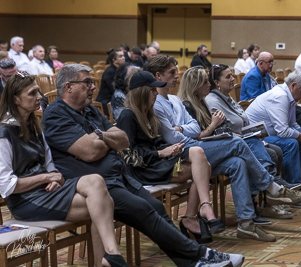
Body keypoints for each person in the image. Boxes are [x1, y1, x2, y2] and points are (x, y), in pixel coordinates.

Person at [42, 64, 244, 267]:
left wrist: (100, 136)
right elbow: (90, 151)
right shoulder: (56, 114)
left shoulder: (89, 111)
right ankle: (201, 255)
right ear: (69, 87)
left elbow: (122, 140)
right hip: (97, 185)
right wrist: (107, 141)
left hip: (120, 176)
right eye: (87, 82)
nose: (93, 87)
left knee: (157, 206)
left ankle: (192, 262)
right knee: (144, 210)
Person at [149, 55, 301, 242]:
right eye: (172, 73)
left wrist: (183, 129)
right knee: (237, 142)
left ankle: (246, 224)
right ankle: (273, 187)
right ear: (158, 75)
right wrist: (189, 131)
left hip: (196, 149)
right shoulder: (156, 104)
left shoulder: (175, 100)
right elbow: (172, 137)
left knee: (237, 163)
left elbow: (194, 128)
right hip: (181, 157)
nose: (177, 76)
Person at [0, 71, 127, 267]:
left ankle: (111, 256)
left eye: (38, 92)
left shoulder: (34, 126)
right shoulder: (4, 134)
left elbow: (49, 165)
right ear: (16, 99)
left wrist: (53, 177)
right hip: (25, 200)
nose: (40, 97)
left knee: (95, 181)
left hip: (46, 191)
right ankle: (110, 258)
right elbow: (6, 186)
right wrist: (45, 178)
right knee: (104, 204)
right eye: (32, 93)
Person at [179, 66, 301, 217]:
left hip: (211, 148)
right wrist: (215, 126)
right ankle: (273, 187)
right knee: (241, 142)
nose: (208, 84)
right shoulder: (189, 105)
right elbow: (195, 138)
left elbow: (222, 128)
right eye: (205, 82)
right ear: (195, 85)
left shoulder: (203, 102)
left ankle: (247, 220)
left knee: (240, 162)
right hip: (196, 154)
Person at [117, 70, 225, 243]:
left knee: (200, 156)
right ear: (142, 92)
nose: (155, 94)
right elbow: (129, 156)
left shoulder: (147, 113)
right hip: (142, 170)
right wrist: (161, 152)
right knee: (205, 166)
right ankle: (197, 213)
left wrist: (171, 148)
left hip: (156, 162)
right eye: (153, 91)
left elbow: (155, 141)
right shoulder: (128, 115)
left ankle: (196, 213)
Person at [246, 70, 301, 196]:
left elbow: (293, 124)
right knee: (291, 143)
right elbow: (283, 131)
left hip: (270, 135)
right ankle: (292, 189)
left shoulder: (289, 96)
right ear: (293, 85)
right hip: (257, 138)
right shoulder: (280, 96)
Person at [96, 49, 125, 116]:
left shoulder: (119, 70)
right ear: (114, 60)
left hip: (113, 99)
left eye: (123, 56)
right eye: (120, 56)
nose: (123, 58)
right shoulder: (110, 72)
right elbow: (114, 89)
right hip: (106, 102)